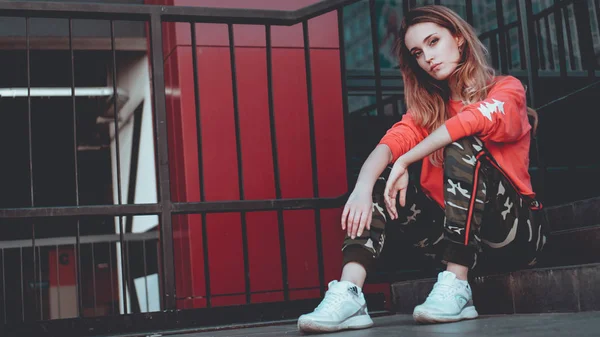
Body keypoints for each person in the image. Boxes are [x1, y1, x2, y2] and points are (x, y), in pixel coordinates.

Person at [297, 5, 546, 333]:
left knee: (461, 142)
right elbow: (388, 146)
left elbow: (468, 122)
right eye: (417, 52)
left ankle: (457, 284)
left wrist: (406, 160)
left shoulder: (505, 89)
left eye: (433, 41)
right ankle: (350, 293)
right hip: (451, 236)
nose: (427, 56)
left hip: (515, 238)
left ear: (458, 39)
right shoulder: (426, 112)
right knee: (381, 177)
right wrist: (363, 188)